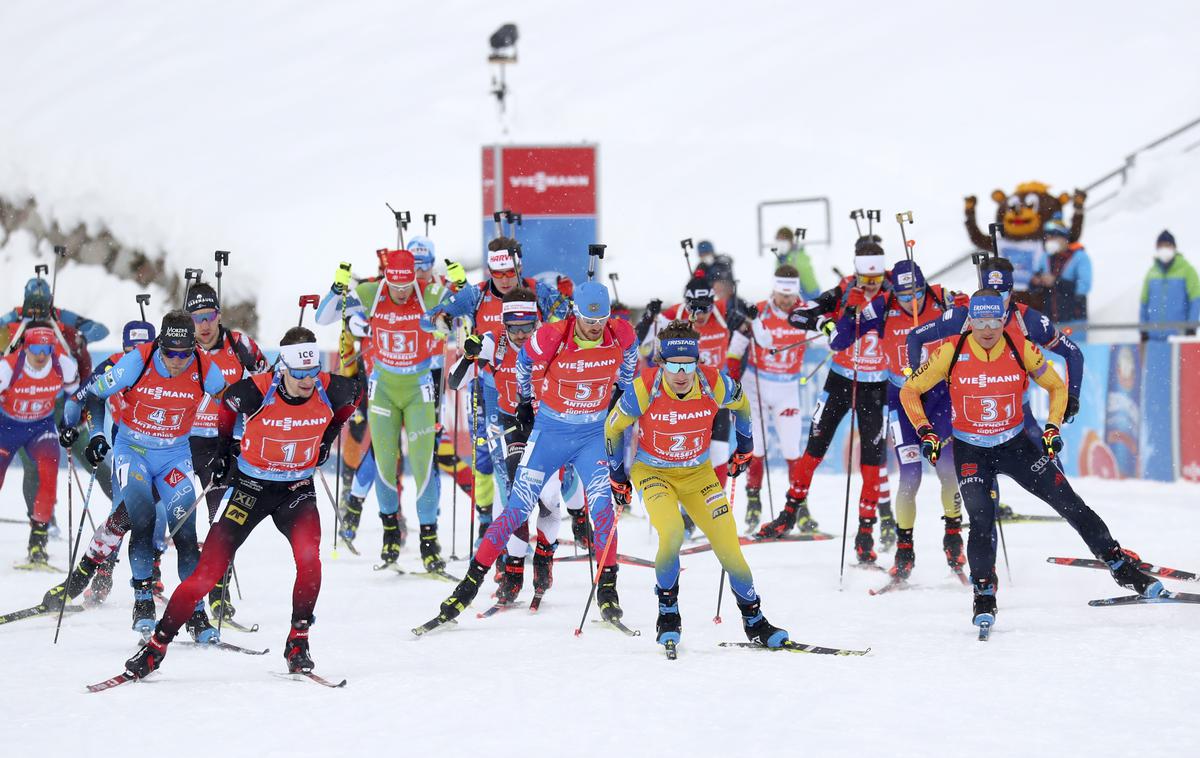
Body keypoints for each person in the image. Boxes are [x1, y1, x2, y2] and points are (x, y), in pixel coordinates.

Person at [900, 289, 1164, 632]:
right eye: (980, 320)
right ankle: (984, 594)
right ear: (970, 320)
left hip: (1015, 445)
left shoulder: (1018, 347)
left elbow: (1056, 387)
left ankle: (1120, 566)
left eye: (995, 319)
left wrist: (1052, 426)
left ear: (1003, 317)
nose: (988, 328)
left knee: (1069, 502)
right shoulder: (951, 351)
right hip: (971, 451)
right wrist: (926, 431)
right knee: (981, 518)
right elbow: (909, 390)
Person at [122, 327, 360, 679]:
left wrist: (328, 437)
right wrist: (222, 453)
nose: (308, 381)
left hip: (297, 490)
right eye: (299, 374)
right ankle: (157, 646)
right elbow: (227, 404)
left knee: (310, 559)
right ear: (283, 369)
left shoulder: (331, 387)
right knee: (207, 573)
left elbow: (354, 395)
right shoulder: (258, 390)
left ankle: (298, 641)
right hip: (250, 487)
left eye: (312, 373)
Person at [423, 281, 638, 628]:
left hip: (589, 435)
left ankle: (606, 588)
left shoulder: (620, 332)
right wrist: (522, 400)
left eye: (601, 320)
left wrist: (622, 390)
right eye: (588, 319)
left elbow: (631, 354)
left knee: (601, 510)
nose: (595, 326)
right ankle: (470, 586)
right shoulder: (543, 337)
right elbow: (518, 365)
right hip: (544, 430)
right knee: (516, 507)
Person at [605, 320, 789, 650]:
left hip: (698, 475)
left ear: (696, 362)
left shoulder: (713, 382)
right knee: (673, 532)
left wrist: (744, 447)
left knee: (729, 546)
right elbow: (613, 427)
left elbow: (743, 406)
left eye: (687, 365)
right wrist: (617, 476)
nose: (681, 374)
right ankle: (668, 612)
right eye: (673, 365)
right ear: (661, 363)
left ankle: (754, 620)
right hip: (653, 473)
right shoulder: (645, 388)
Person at [59, 310, 227, 639]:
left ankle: (195, 614)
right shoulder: (137, 361)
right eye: (170, 353)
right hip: (133, 451)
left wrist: (231, 441)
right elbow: (93, 394)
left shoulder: (206, 367)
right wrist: (95, 436)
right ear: (160, 345)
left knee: (186, 535)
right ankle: (143, 601)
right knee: (142, 519)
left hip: (175, 455)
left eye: (184, 353)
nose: (177, 361)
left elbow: (231, 401)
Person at [422, 238, 570, 545]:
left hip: (534, 394)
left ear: (519, 267)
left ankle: (563, 518)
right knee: (493, 463)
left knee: (550, 469)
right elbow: (429, 320)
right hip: (490, 391)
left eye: (508, 272)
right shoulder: (475, 294)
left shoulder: (537, 291)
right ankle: (494, 530)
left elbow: (570, 318)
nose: (503, 279)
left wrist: (568, 303)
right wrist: (444, 321)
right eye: (497, 273)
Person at [756, 238, 892, 567]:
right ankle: (789, 514)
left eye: (876, 280)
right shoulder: (846, 289)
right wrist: (825, 322)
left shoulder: (895, 290)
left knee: (872, 461)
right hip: (841, 380)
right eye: (865, 280)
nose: (870, 286)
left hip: (876, 386)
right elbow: (798, 316)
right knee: (814, 448)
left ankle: (865, 534)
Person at [315, 249, 448, 572]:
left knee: (423, 464)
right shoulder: (372, 292)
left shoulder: (428, 292)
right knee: (385, 464)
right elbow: (323, 317)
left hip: (418, 389)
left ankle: (429, 542)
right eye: (395, 286)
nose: (401, 294)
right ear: (386, 278)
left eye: (406, 286)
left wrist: (450, 314)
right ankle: (390, 533)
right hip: (384, 390)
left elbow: (465, 311)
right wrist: (342, 300)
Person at [845, 261, 967, 580]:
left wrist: (965, 303)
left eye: (916, 292)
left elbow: (974, 316)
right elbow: (841, 339)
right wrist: (850, 312)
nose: (912, 300)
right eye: (903, 294)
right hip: (902, 400)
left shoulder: (941, 298)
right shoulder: (883, 307)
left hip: (940, 397)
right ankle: (904, 549)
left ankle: (953, 536)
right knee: (909, 476)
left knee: (946, 470)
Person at [446, 288, 563, 603]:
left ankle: (544, 557)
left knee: (549, 497)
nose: (522, 335)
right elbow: (455, 383)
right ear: (505, 324)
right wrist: (468, 355)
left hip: (544, 424)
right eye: (515, 329)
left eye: (528, 327)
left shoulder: (551, 340)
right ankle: (512, 569)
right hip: (509, 423)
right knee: (515, 493)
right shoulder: (491, 342)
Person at [182, 281, 268, 621]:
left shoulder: (240, 344)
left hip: (226, 440)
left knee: (222, 512)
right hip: (182, 438)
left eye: (209, 316)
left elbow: (268, 383)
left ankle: (218, 590)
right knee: (157, 509)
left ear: (219, 315)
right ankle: (146, 581)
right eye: (197, 318)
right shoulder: (179, 346)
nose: (204, 325)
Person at [725, 265, 810, 531]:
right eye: (782, 295)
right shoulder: (757, 311)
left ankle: (800, 505)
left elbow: (827, 340)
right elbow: (734, 351)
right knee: (756, 449)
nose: (786, 301)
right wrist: (734, 380)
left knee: (792, 449)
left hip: (788, 388)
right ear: (774, 290)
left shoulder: (807, 312)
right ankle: (754, 501)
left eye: (790, 296)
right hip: (756, 385)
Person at [0, 323, 79, 565]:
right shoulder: (8, 367)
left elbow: (74, 395)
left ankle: (39, 540)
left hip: (40, 427)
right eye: (36, 348)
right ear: (25, 347)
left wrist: (69, 423)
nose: (42, 354)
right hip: (7, 427)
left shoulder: (63, 364)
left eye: (47, 348)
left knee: (49, 472)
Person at [1140, 230, 1200, 341]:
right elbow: (1144, 303)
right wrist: (1143, 329)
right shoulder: (1151, 273)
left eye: (1167, 245)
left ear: (1174, 247)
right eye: (1161, 246)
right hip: (1154, 339)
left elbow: (1196, 301)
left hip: (1179, 338)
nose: (1164, 249)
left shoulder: (1187, 270)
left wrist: (1191, 327)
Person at [1035, 218, 1091, 324]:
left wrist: (1055, 281)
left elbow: (1084, 286)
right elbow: (1035, 279)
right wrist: (1037, 281)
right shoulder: (1045, 257)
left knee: (1075, 341)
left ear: (1064, 238)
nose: (1049, 240)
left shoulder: (1080, 257)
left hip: (1074, 319)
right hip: (1048, 320)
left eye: (1054, 236)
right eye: (1047, 237)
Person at [772, 226, 821, 300]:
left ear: (791, 241)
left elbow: (809, 285)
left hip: (808, 298)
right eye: (778, 240)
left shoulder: (798, 257)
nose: (780, 243)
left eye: (783, 240)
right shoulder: (780, 258)